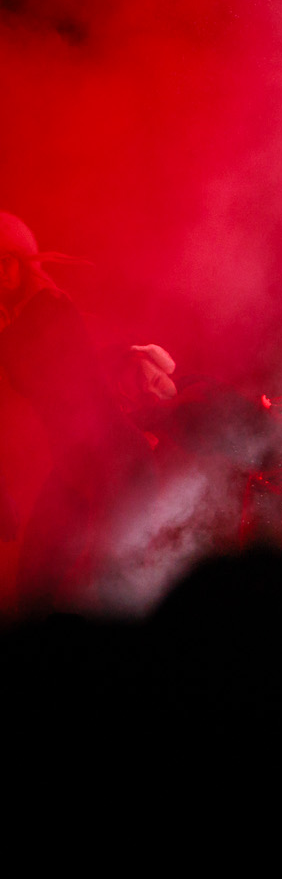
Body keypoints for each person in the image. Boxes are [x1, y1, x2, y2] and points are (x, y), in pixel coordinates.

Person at [0, 210, 151, 609]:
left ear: (23, 260)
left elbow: (66, 379)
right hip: (77, 466)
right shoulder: (28, 316)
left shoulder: (44, 309)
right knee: (38, 583)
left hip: (110, 461)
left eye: (5, 261)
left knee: (104, 585)